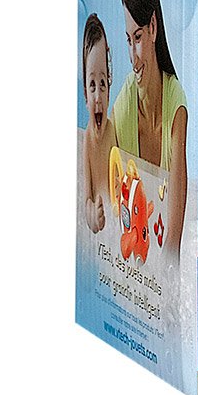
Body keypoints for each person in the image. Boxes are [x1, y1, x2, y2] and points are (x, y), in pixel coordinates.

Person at [111, 0, 188, 255]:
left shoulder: (176, 103)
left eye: (139, 37)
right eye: (128, 40)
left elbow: (173, 242)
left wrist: (169, 262)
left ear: (153, 27)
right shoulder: (124, 104)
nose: (133, 56)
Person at [81, 14, 116, 233]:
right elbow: (86, 198)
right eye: (92, 85)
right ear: (85, 95)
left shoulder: (114, 131)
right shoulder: (88, 140)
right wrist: (92, 216)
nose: (98, 97)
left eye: (102, 84)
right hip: (104, 233)